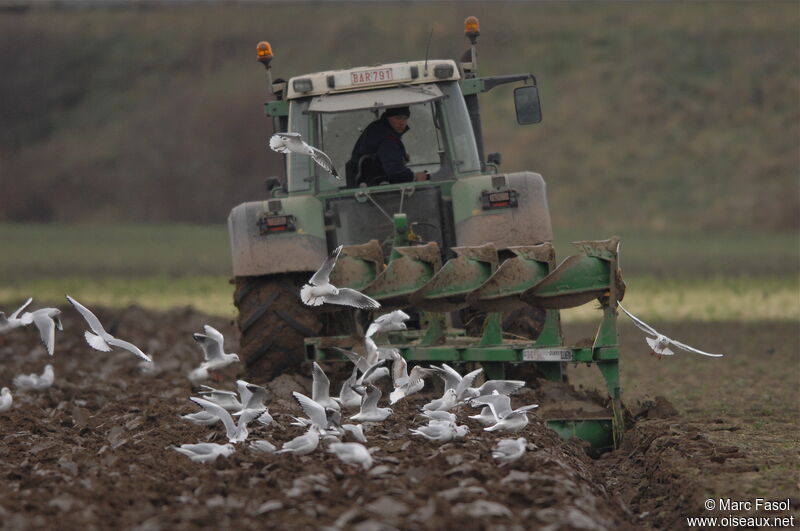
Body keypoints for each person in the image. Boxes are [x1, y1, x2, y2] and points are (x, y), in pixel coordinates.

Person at [346, 106, 430, 186]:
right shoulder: (387, 138)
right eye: (398, 118)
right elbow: (395, 172)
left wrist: (400, 156)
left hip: (364, 184)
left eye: (405, 118)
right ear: (388, 117)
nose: (402, 123)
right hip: (375, 189)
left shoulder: (377, 128)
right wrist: (415, 177)